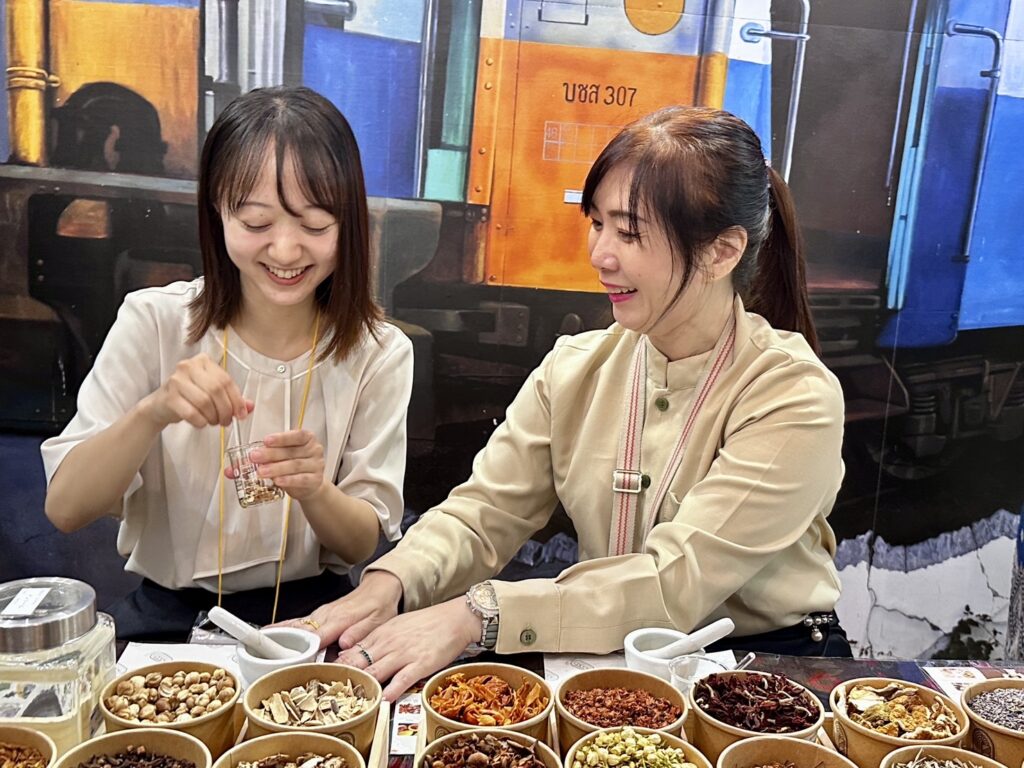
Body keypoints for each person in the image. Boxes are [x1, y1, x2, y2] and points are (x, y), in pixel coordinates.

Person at [291, 105, 850, 700]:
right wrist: (390, 584)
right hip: (607, 657)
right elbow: (485, 511)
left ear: (721, 251)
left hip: (765, 671)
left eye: (629, 233)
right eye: (597, 224)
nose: (600, 254)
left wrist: (477, 615)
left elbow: (675, 582)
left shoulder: (792, 394)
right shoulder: (576, 366)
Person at [41, 86, 413, 640]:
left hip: (314, 617)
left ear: (348, 223)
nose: (285, 251)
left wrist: (315, 488)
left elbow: (360, 543)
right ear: (217, 210)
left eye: (315, 225)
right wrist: (153, 412)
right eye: (256, 224)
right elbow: (66, 508)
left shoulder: (377, 351)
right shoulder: (156, 322)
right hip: (168, 619)